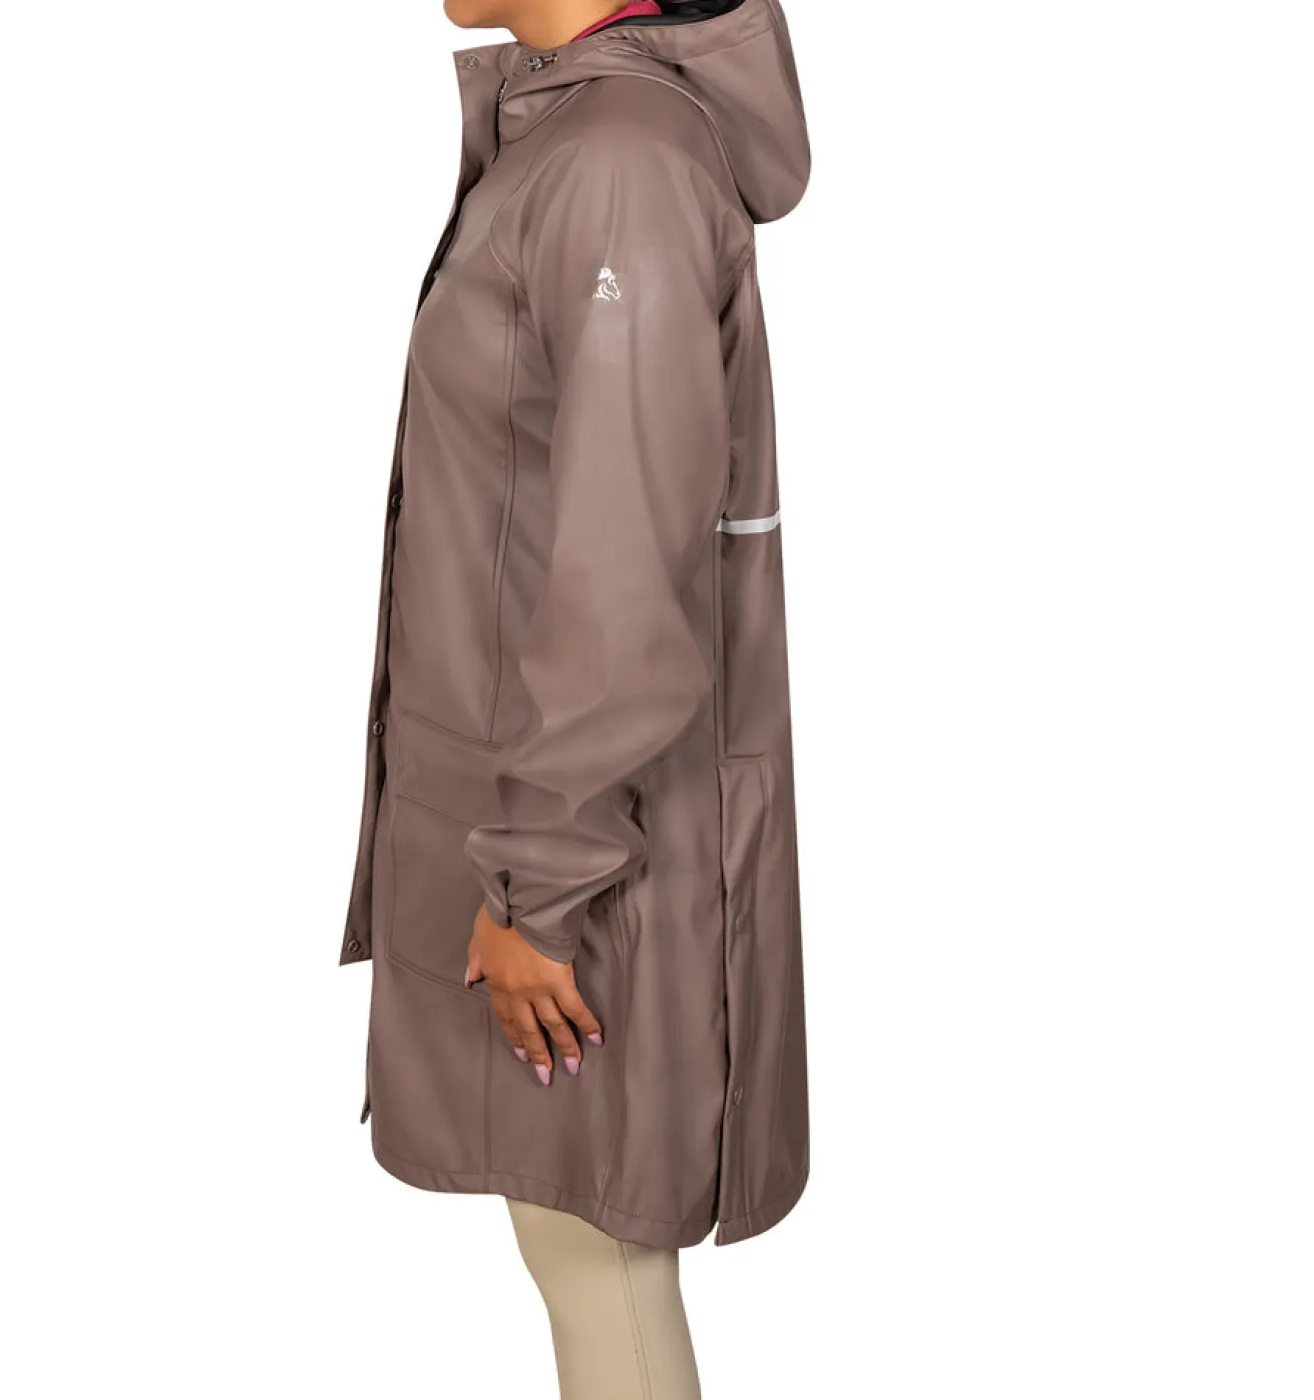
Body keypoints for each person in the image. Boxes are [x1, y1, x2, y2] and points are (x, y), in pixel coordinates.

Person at [340, 2, 812, 1394]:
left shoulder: (619, 163)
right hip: (543, 817)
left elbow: (625, 567)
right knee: (579, 1257)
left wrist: (536, 890)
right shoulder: (575, 137)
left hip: (581, 856)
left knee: (598, 1261)